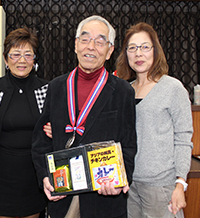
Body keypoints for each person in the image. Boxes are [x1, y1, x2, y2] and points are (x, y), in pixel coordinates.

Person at [31, 15, 137, 218]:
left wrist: (121, 180)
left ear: (109, 51)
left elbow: (129, 144)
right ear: (76, 45)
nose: (91, 47)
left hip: (104, 197)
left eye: (100, 41)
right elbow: (41, 140)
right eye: (85, 39)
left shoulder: (123, 91)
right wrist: (44, 175)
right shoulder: (56, 87)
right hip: (64, 193)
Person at [116, 22, 193, 217]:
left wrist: (180, 184)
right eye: (132, 48)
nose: (138, 54)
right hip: (129, 185)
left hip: (162, 187)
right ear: (126, 54)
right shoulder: (124, 90)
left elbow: (183, 139)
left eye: (144, 47)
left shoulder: (173, 88)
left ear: (155, 51)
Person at [0, 27, 48, 218]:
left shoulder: (47, 89)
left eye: (28, 54)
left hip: (34, 171)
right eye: (15, 54)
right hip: (2, 171)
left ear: (34, 59)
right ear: (5, 59)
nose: (22, 60)